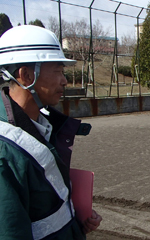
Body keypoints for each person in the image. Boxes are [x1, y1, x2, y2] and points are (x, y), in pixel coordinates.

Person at [0, 25, 102, 239]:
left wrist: (76, 221)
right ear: (26, 75)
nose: (64, 80)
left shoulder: (41, 126)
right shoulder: (4, 153)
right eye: (57, 71)